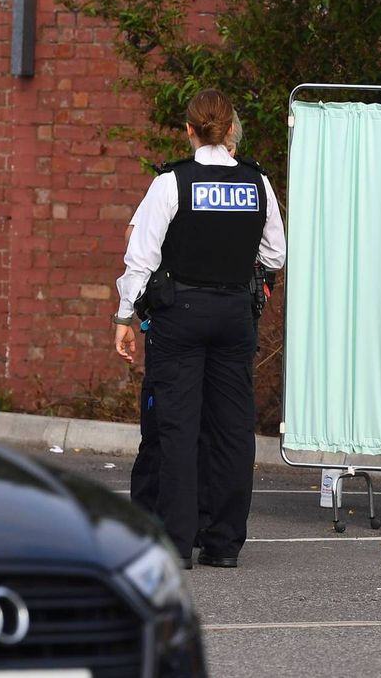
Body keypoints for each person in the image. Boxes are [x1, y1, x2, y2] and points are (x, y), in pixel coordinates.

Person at [115, 91, 285, 569]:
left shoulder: (173, 181)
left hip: (181, 314)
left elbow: (141, 257)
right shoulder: (257, 182)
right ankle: (225, 543)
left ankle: (175, 542)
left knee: (177, 425)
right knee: (232, 429)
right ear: (230, 129)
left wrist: (125, 315)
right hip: (235, 315)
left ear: (189, 130)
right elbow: (275, 255)